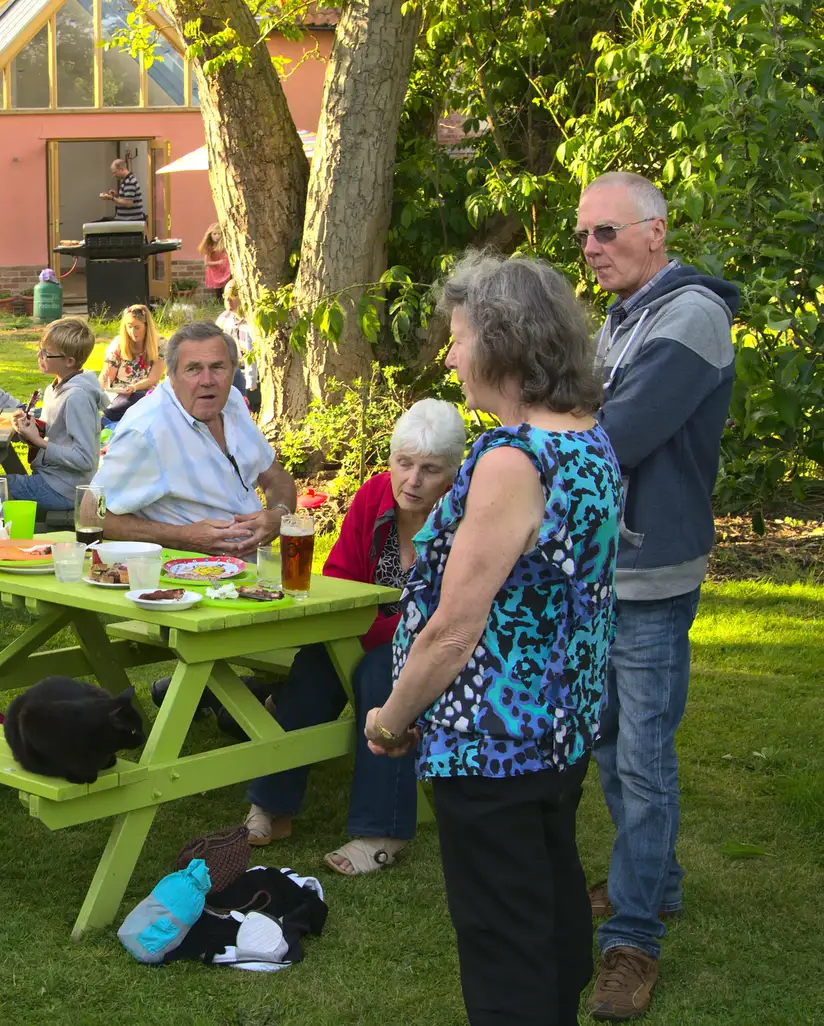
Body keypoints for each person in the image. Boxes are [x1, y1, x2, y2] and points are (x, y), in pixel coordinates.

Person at [364, 253, 621, 1026]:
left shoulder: (517, 460)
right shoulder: (588, 441)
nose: (448, 355)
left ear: (502, 344)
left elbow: (453, 629)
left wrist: (389, 717)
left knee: (502, 937)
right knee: (546, 905)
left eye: (459, 337)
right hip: (558, 729)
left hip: (495, 742)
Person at [576, 171, 738, 1020]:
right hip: (607, 571)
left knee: (642, 759)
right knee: (611, 743)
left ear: (657, 231)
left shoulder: (692, 315)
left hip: (650, 575)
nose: (593, 249)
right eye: (585, 237)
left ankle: (633, 938)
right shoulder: (623, 318)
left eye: (607, 232)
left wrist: (574, 419)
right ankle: (657, 883)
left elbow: (617, 436)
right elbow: (589, 417)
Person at [241, 400, 464, 865]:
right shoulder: (373, 497)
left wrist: (368, 628)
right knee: (314, 665)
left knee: (382, 675)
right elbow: (341, 575)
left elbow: (449, 615)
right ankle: (272, 803)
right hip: (363, 631)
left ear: (453, 473)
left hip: (436, 646)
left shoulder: (463, 518)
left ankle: (383, 832)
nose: (413, 480)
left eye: (430, 469)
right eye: (404, 464)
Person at [91, 321, 296, 557]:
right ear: (173, 376)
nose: (207, 380)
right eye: (194, 369)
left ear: (233, 371)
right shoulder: (148, 430)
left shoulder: (233, 402)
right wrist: (183, 537)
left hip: (252, 577)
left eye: (218, 367)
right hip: (186, 584)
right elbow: (92, 513)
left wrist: (278, 515)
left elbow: (276, 478)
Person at [0, 317, 104, 522]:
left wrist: (38, 441)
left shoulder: (76, 397)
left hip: (62, 488)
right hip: (50, 480)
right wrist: (29, 430)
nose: (38, 355)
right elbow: (55, 435)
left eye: (46, 353)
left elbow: (84, 459)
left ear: (69, 361)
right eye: (40, 348)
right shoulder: (55, 388)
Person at [97, 304, 164, 423]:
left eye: (137, 327)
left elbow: (153, 379)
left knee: (142, 397)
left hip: (145, 392)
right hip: (120, 394)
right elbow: (106, 377)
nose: (132, 331)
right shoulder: (118, 344)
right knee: (135, 400)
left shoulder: (160, 344)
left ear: (146, 326)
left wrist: (134, 387)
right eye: (129, 327)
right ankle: (104, 418)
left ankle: (106, 419)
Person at [215, 280, 260, 413]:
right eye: (225, 296)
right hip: (230, 372)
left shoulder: (251, 323)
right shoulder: (223, 319)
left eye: (233, 295)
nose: (228, 300)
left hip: (251, 376)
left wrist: (251, 382)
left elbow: (252, 358)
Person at [199, 224, 231, 302]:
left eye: (218, 234)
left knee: (228, 285)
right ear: (210, 235)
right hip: (215, 269)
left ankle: (228, 301)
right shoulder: (209, 246)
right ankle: (219, 302)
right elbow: (206, 263)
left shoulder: (223, 243)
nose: (217, 236)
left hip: (225, 268)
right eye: (214, 234)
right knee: (218, 289)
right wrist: (218, 262)